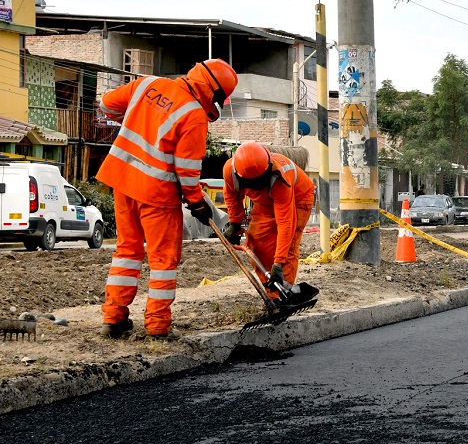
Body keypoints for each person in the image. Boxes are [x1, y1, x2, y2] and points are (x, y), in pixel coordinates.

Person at [96, 58, 238, 338]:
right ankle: (158, 326)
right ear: (213, 91)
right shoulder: (194, 115)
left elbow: (107, 105)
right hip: (157, 194)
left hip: (123, 181)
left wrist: (138, 119)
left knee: (127, 251)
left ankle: (113, 318)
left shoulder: (148, 84)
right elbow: (187, 172)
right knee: (163, 261)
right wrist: (197, 202)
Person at [221, 142, 315, 303]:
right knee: (256, 246)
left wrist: (278, 263)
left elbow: (286, 225)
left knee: (289, 245)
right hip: (264, 203)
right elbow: (231, 195)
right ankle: (272, 294)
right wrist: (235, 222)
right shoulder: (230, 170)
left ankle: (283, 294)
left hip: (298, 199)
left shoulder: (279, 178)